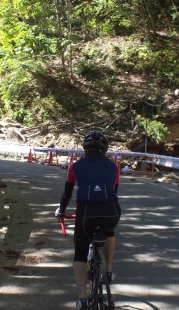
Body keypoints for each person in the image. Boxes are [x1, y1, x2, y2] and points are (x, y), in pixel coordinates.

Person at [55, 132, 122, 310]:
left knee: (80, 252)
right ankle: (108, 270)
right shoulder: (113, 167)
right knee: (109, 231)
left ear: (85, 149)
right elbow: (114, 190)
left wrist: (61, 210)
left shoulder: (75, 167)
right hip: (112, 211)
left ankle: (82, 298)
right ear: (105, 150)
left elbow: (67, 194)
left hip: (86, 212)